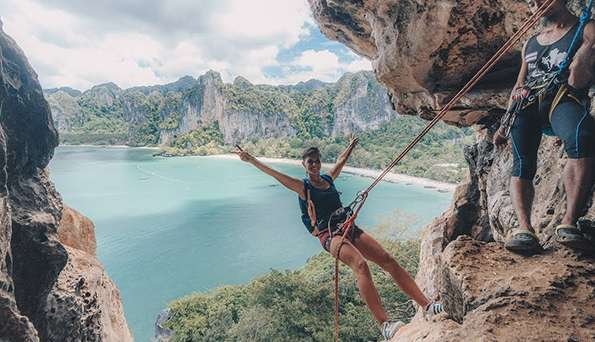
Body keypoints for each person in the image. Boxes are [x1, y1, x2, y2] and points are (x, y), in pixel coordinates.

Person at [235, 138, 444, 340]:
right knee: (360, 264)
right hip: (330, 235)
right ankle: (385, 325)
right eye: (311, 162)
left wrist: (351, 147)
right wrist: (251, 159)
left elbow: (340, 162)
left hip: (348, 226)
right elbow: (276, 174)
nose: (315, 164)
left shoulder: (327, 179)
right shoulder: (303, 187)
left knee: (387, 259)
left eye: (317, 160)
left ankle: (427, 305)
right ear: (304, 165)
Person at [493, 0, 595, 253]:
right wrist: (505, 122)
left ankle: (569, 222)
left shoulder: (585, 27)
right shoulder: (532, 42)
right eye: (532, 1)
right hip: (527, 103)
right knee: (521, 161)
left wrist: (584, 52)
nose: (536, 4)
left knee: (581, 137)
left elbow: (583, 68)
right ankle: (525, 229)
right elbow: (519, 83)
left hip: (562, 97)